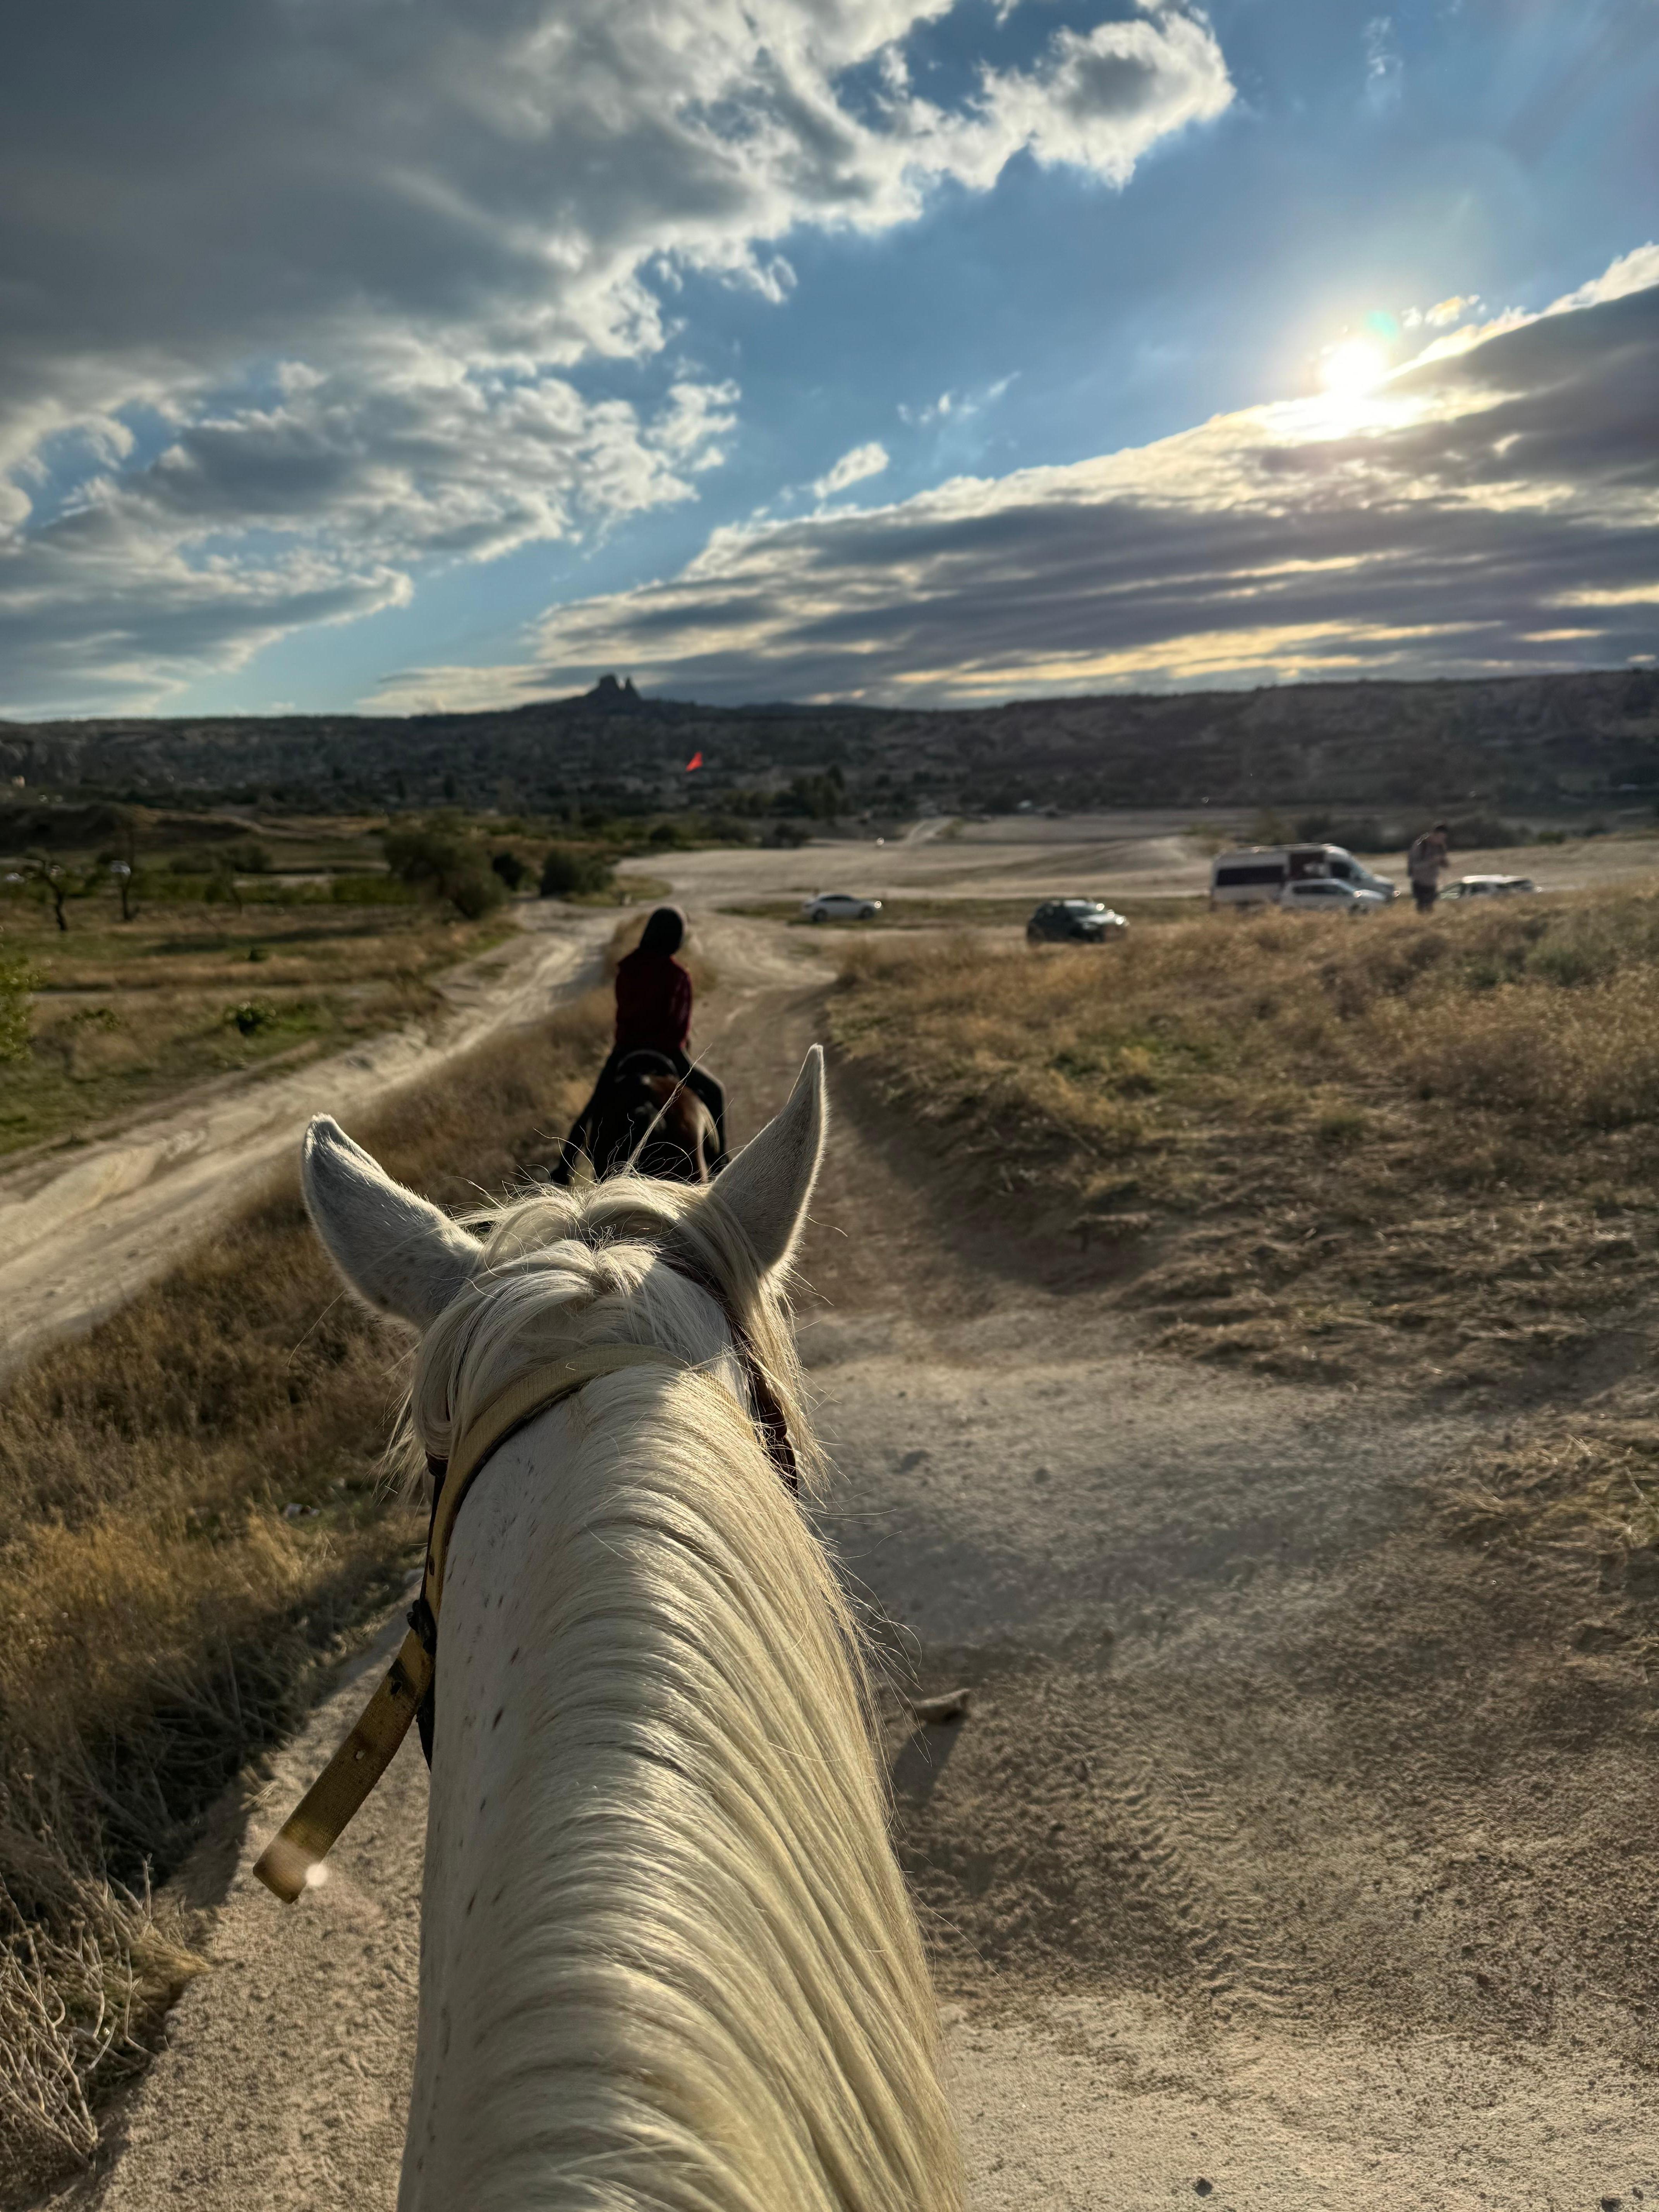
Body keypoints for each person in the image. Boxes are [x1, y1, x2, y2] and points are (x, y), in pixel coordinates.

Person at [551, 906, 727, 1181]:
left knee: (591, 1110)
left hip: (626, 1051)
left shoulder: (627, 968)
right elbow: (679, 1027)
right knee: (716, 1094)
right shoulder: (679, 976)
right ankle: (720, 1167)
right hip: (669, 1051)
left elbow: (624, 1012)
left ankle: (564, 1168)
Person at [1407, 822, 1450, 913]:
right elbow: (1415, 866)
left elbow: (1446, 865)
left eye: (1443, 838)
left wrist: (1443, 861)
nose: (1441, 840)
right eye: (1439, 837)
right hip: (1419, 883)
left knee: (1430, 910)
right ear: (1433, 834)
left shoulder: (1441, 847)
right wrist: (1431, 862)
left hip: (1432, 883)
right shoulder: (1420, 845)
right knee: (1422, 910)